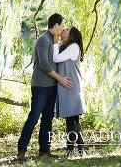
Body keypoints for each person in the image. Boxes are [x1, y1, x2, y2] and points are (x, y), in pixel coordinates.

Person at [16, 13, 73, 160]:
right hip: (40, 86)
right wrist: (60, 79)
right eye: (62, 26)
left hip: (52, 86)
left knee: (48, 119)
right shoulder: (43, 40)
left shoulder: (54, 41)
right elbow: (44, 65)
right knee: (34, 117)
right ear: (55, 26)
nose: (63, 29)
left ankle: (44, 150)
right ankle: (21, 150)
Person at [53, 26, 85, 156]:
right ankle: (79, 149)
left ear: (71, 35)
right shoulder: (65, 46)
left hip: (70, 86)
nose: (64, 30)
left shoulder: (73, 47)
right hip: (66, 86)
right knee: (73, 119)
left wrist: (55, 43)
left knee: (72, 118)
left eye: (67, 30)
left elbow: (56, 58)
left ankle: (70, 150)